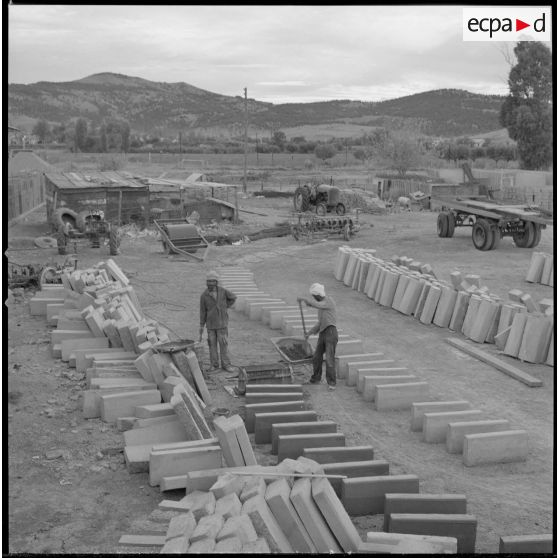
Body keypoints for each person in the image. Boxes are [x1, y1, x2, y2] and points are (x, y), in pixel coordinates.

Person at [297, 283, 338, 390]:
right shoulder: (321, 308)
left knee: (329, 359)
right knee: (316, 357)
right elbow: (319, 323)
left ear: (318, 295)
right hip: (323, 332)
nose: (313, 298)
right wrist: (309, 333)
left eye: (314, 296)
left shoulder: (329, 301)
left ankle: (332, 383)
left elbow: (317, 304)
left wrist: (304, 299)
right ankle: (316, 378)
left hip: (331, 332)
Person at [199, 270, 237, 372]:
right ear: (206, 282)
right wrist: (201, 325)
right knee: (212, 346)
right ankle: (214, 365)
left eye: (213, 281)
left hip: (222, 325)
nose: (210, 283)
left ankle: (226, 365)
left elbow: (233, 297)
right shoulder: (204, 296)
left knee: (223, 346)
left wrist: (225, 307)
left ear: (216, 282)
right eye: (208, 281)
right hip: (210, 326)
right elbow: (202, 312)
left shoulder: (223, 292)